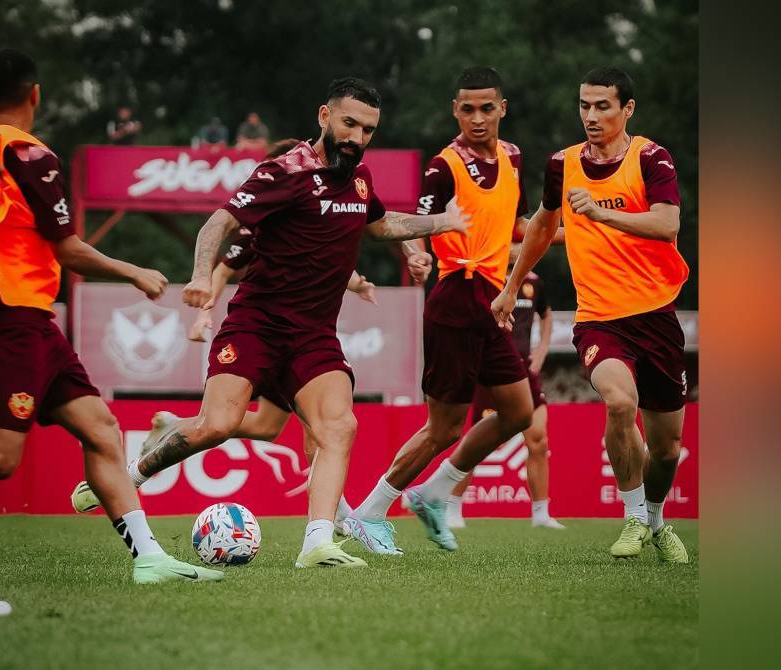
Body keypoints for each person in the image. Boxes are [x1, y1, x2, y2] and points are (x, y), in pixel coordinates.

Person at [85, 77, 469, 570]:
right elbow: (217, 222)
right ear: (324, 116)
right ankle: (131, 474)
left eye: (368, 129)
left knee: (340, 426)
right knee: (217, 425)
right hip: (256, 325)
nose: (357, 136)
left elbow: (380, 225)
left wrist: (441, 223)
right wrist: (202, 275)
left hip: (313, 335)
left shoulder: (360, 178)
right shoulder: (283, 172)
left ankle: (317, 543)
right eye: (349, 123)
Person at [0, 48, 222, 588]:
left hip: (32, 320)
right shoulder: (29, 155)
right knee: (1, 459)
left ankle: (149, 558)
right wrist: (133, 271)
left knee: (100, 428)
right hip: (13, 314)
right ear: (35, 95)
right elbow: (70, 249)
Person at [70, 141, 381, 529]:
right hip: (265, 335)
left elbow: (325, 258)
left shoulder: (312, 215)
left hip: (302, 338)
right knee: (264, 425)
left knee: (270, 427)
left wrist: (357, 283)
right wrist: (203, 313)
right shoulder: (259, 226)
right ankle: (336, 516)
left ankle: (174, 427)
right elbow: (221, 270)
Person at [491, 66, 691, 563]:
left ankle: (656, 520)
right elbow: (540, 227)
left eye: (603, 105)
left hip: (657, 315)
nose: (591, 115)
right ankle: (631, 518)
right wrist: (510, 286)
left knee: (666, 449)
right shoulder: (562, 164)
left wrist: (602, 213)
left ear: (627, 109)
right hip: (599, 317)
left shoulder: (651, 158)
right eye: (584, 105)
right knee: (620, 403)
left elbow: (667, 224)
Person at [343, 66, 535, 555]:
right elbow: (421, 218)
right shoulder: (444, 164)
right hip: (456, 297)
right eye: (467, 108)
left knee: (517, 411)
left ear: (502, 109)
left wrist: (568, 233)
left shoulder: (514, 157)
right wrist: (417, 252)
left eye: (486, 108)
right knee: (444, 427)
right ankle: (369, 512)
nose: (476, 118)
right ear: (455, 109)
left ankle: (433, 492)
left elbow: (517, 230)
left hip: (492, 301)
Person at [447, 270, 566, 530]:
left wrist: (542, 349)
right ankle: (452, 508)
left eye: (520, 241)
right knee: (475, 444)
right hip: (491, 370)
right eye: (511, 240)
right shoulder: (485, 276)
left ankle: (541, 514)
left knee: (538, 440)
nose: (515, 248)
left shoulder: (535, 280)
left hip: (525, 369)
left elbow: (546, 315)